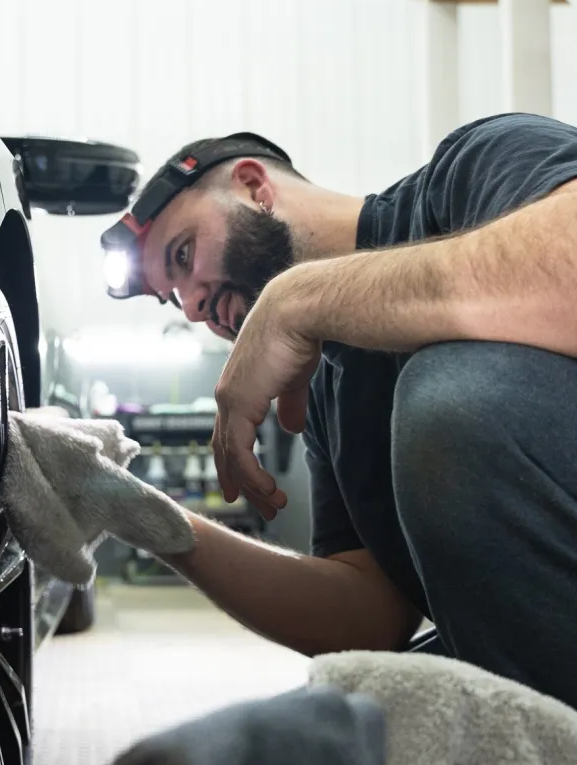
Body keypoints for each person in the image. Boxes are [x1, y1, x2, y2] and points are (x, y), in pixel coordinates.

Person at [99, 113, 577, 709]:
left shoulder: (472, 171)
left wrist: (301, 298)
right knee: (321, 728)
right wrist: (153, 522)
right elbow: (368, 617)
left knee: (446, 396)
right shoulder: (329, 393)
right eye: (173, 298)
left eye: (185, 254)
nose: (193, 306)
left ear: (254, 186)